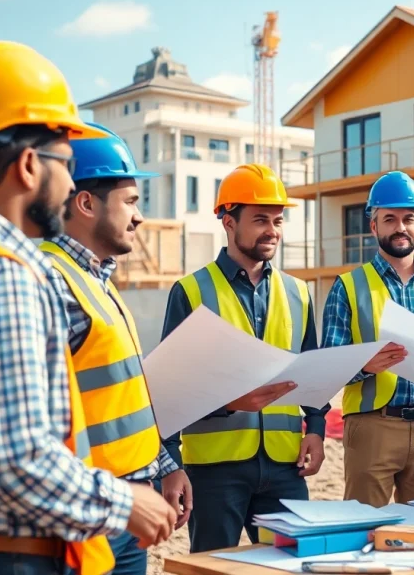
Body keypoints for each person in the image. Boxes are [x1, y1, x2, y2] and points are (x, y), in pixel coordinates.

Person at [0, 40, 176, 574]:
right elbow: (12, 458)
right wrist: (127, 502)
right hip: (0, 558)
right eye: (65, 165)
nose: (71, 184)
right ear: (28, 165)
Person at [40, 122, 191, 575]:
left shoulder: (97, 282)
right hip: (89, 514)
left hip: (131, 508)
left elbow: (125, 397)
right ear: (86, 203)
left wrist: (165, 466)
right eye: (131, 201)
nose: (140, 216)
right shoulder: (53, 280)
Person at [159, 163, 327, 552]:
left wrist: (316, 428)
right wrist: (170, 462)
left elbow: (314, 372)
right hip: (216, 470)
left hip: (286, 467)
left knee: (291, 564)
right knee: (215, 567)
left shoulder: (298, 293)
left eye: (278, 220)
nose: (272, 230)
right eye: (260, 219)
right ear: (228, 222)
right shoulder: (191, 291)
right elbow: (168, 390)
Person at [322, 170, 414, 507]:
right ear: (373, 226)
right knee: (363, 527)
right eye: (389, 219)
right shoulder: (348, 286)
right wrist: (364, 365)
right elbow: (327, 364)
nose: (400, 227)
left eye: (409, 218)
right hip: (373, 426)